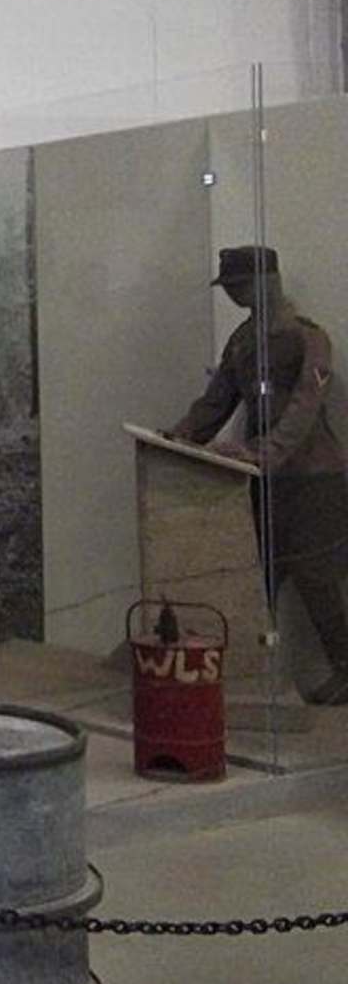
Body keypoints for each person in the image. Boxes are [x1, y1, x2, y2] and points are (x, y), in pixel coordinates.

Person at [165, 246, 348, 704]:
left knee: (317, 579)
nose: (232, 294)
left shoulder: (308, 338)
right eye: (229, 287)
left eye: (239, 285)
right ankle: (252, 682)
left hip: (313, 482)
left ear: (266, 282)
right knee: (253, 578)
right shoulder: (243, 341)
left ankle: (344, 671)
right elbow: (217, 401)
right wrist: (180, 437)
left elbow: (305, 407)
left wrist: (262, 453)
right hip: (263, 480)